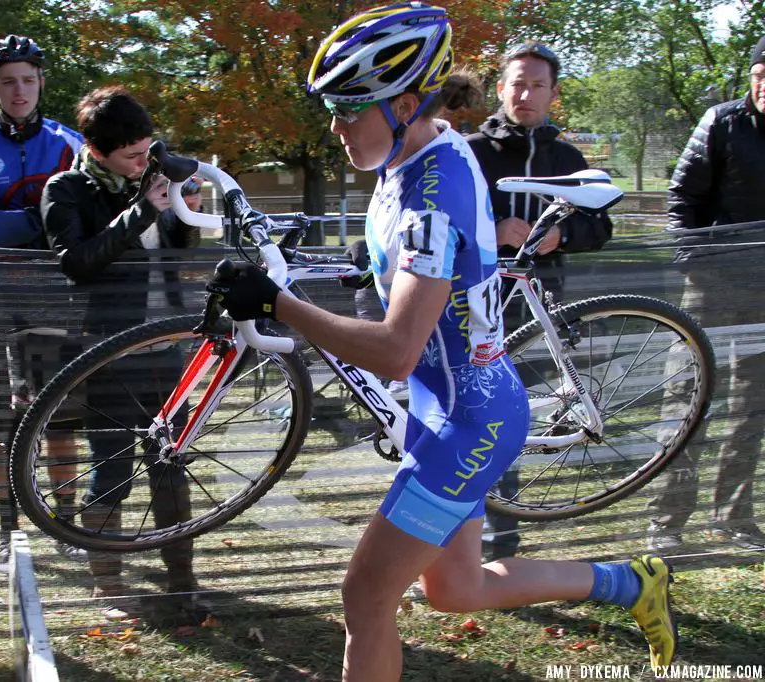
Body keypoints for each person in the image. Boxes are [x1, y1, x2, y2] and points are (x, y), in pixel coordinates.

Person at [204, 4, 674, 679]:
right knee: (455, 589)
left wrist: (280, 304)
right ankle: (633, 583)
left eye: (348, 108)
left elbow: (397, 347)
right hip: (446, 406)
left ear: (402, 102)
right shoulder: (421, 147)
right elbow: (403, 277)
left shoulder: (432, 197)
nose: (335, 127)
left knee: (365, 596)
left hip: (467, 421)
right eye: (332, 109)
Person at [41, 86, 203, 618]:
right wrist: (141, 211)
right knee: (111, 467)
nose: (144, 162)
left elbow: (174, 252)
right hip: (108, 352)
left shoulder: (152, 175)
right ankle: (106, 582)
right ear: (95, 148)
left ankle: (182, 579)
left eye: (147, 150)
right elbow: (78, 263)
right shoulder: (66, 189)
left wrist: (185, 214)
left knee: (171, 466)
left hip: (169, 348)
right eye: (132, 155)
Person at [465, 41, 613, 561]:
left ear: (553, 94)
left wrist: (560, 238)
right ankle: (450, 539)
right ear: (501, 87)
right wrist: (492, 229)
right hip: (468, 307)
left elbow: (602, 224)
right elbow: (437, 224)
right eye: (517, 82)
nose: (526, 93)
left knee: (509, 426)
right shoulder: (468, 151)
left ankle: (499, 542)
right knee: (463, 420)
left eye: (538, 85)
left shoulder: (566, 157)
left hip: (538, 313)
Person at [0, 35, 86, 572]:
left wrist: (36, 227)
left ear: (40, 83)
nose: (19, 90)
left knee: (61, 415)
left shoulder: (69, 143)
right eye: (8, 81)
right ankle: (8, 530)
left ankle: (66, 522)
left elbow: (82, 219)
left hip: (54, 294)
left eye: (28, 79)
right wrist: (43, 222)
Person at [645, 36, 765, 552]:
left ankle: (733, 517)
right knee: (689, 399)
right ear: (753, 75)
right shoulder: (722, 122)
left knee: (752, 408)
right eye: (764, 72)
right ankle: (667, 524)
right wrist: (694, 262)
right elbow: (681, 196)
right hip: (711, 288)